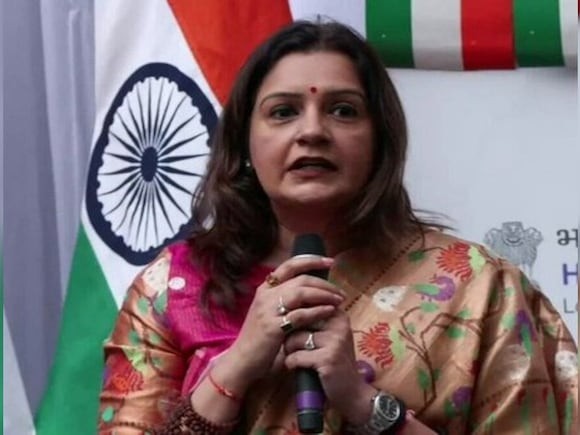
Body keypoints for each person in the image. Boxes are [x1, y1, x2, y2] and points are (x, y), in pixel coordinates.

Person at [98, 20, 578, 434]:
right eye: (283, 112)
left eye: (343, 110)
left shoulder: (478, 286)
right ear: (244, 144)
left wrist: (363, 403)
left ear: (380, 141)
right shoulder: (173, 289)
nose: (312, 131)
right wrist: (237, 368)